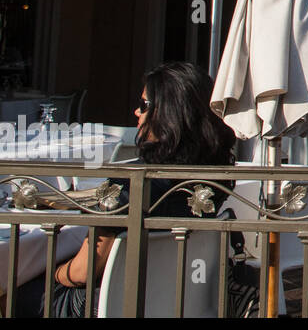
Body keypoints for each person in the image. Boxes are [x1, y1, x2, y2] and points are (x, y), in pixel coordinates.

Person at [15, 62, 236, 317]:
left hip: (112, 303)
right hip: (179, 299)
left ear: (169, 113)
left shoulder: (131, 187)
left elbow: (82, 272)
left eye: (144, 105)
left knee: (12, 285)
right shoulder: (210, 181)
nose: (136, 112)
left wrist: (50, 273)